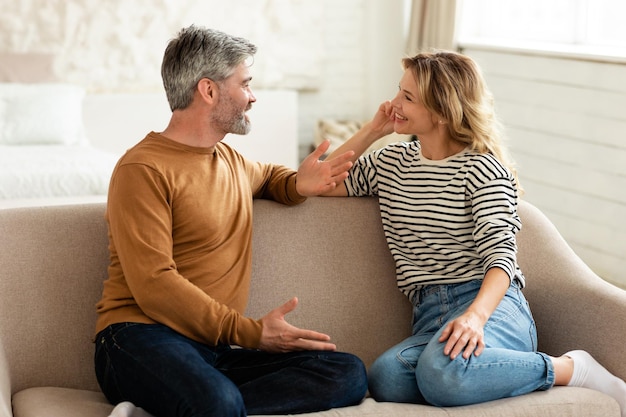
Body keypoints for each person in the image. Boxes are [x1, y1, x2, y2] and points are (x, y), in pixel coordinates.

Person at [322, 50, 626, 415]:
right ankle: (474, 373)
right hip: (429, 315)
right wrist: (373, 130)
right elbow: (319, 182)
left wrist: (475, 317)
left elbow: (502, 259)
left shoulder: (483, 169)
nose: (393, 104)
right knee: (387, 377)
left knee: (440, 373)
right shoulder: (389, 164)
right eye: (398, 91)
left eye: (407, 97)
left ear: (441, 111)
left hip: (492, 308)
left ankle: (570, 369)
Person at [94, 25, 367, 417]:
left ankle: (184, 409)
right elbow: (154, 284)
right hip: (138, 338)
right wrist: (251, 333)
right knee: (217, 401)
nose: (252, 97)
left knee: (346, 373)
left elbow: (273, 178)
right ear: (209, 91)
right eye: (245, 84)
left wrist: (299, 184)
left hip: (210, 350)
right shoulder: (142, 168)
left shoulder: (231, 161)